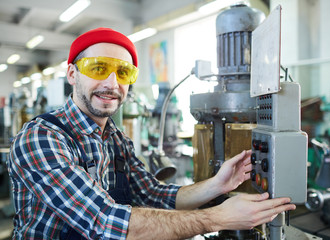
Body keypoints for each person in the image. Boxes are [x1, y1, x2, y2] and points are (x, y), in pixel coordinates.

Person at [7, 27, 295, 240]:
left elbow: (154, 194)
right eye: (98, 69)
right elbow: (105, 221)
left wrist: (217, 185)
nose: (111, 83)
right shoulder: (42, 137)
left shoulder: (116, 140)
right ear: (72, 74)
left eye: (123, 73)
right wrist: (218, 217)